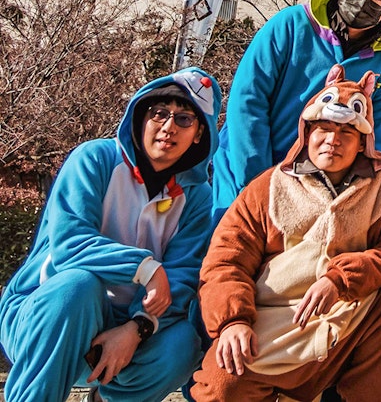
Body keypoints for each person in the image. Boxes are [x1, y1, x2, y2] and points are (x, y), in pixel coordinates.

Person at [191, 66, 381, 402]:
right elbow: (225, 262)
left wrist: (339, 279)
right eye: (323, 129)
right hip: (272, 322)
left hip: (346, 319)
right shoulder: (267, 187)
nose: (333, 140)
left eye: (346, 132)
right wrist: (232, 321)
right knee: (220, 386)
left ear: (363, 143)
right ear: (307, 132)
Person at [0, 68, 222, 402]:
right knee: (78, 286)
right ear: (140, 116)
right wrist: (146, 268)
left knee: (182, 344)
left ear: (199, 134)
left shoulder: (199, 197)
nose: (168, 126)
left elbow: (183, 275)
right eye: (159, 113)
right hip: (46, 312)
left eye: (184, 119)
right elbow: (69, 244)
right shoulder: (94, 159)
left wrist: (137, 327)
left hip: (125, 325)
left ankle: (107, 398)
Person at [210, 0, 381, 220]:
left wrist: (351, 193)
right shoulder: (289, 25)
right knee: (233, 250)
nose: (364, 2)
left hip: (326, 192)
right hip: (249, 170)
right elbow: (247, 102)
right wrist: (258, 179)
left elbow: (380, 135)